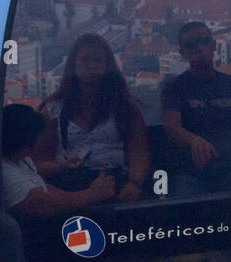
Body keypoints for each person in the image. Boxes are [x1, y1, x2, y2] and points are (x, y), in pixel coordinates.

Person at [37, 33, 149, 203]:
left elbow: (139, 153)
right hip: (68, 188)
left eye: (98, 61)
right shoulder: (53, 110)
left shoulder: (125, 107)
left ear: (108, 66)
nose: (91, 66)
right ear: (73, 65)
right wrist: (61, 167)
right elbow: (38, 161)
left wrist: (134, 184)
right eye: (85, 60)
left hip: (115, 185)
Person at [161, 21, 231, 195]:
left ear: (213, 45)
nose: (199, 48)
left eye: (204, 41)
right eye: (191, 45)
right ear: (183, 53)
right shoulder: (175, 87)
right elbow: (171, 126)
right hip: (192, 175)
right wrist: (193, 140)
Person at [0, 104, 117, 217]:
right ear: (25, 141)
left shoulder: (22, 161)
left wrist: (63, 167)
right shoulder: (5, 172)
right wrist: (94, 194)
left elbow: (46, 190)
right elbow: (46, 204)